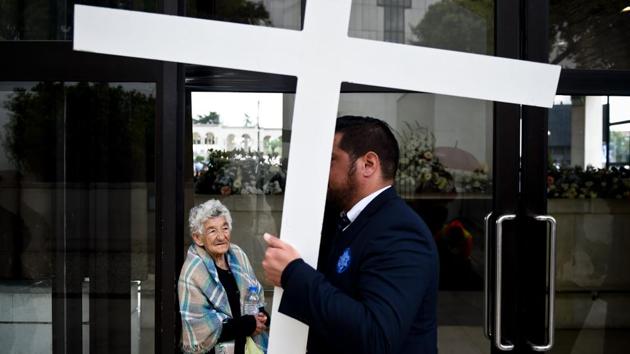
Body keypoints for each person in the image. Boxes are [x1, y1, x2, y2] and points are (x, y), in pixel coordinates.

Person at [262, 116, 438, 354]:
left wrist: (293, 274)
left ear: (368, 164)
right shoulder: (347, 218)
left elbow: (376, 337)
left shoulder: (401, 232)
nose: (322, 171)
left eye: (331, 159)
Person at [179, 199, 269, 354]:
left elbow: (255, 296)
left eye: (225, 228)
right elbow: (201, 330)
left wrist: (261, 317)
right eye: (212, 231)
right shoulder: (193, 272)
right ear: (198, 238)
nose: (221, 237)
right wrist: (248, 324)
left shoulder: (237, 254)